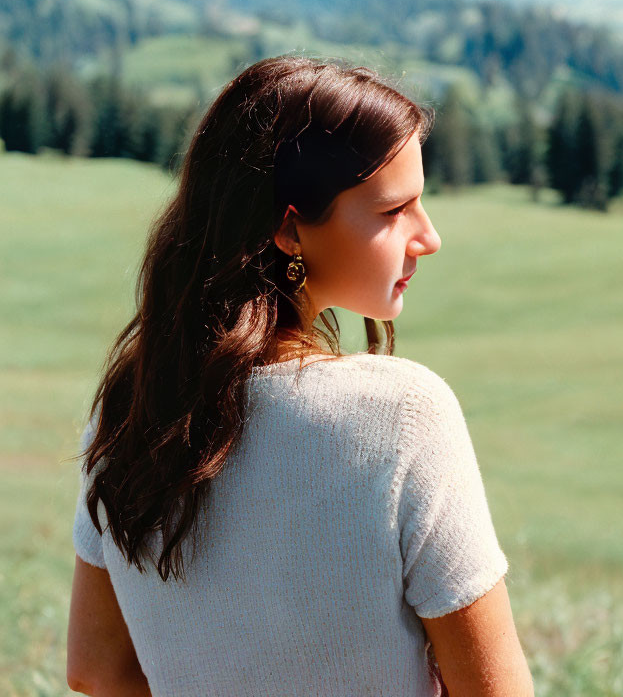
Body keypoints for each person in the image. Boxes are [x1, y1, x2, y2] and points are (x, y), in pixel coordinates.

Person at [65, 55, 533, 696]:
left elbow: (96, 669)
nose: (428, 237)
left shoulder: (130, 407)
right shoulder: (404, 414)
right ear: (289, 228)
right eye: (394, 210)